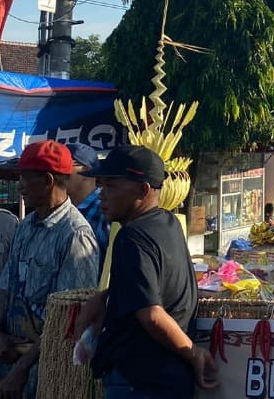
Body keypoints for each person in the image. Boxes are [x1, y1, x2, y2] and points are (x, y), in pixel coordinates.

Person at [75, 144, 218, 398]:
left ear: (142, 190)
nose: (101, 195)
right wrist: (107, 296)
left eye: (110, 186)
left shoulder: (132, 237)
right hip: (168, 378)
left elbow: (152, 314)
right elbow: (151, 286)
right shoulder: (169, 223)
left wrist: (194, 352)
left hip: (140, 380)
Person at [0, 141, 99, 399]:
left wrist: (21, 368)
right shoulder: (25, 226)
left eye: (25, 178)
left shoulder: (76, 236)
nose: (19, 185)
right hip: (8, 359)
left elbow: (68, 321)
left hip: (46, 373)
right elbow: (4, 288)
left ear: (48, 180)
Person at [66, 143, 110, 265]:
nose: (59, 172)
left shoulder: (105, 211)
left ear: (86, 171)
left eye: (65, 166)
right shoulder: (59, 212)